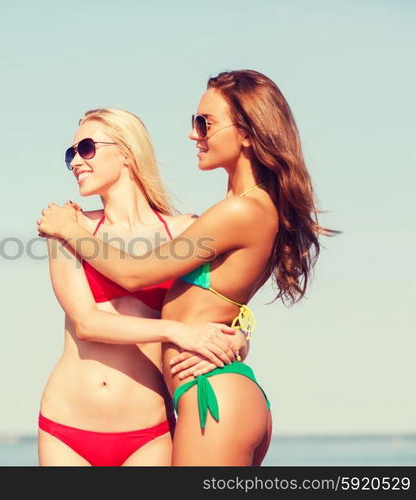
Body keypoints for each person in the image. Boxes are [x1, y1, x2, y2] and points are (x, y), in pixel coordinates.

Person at [37, 70, 339, 465]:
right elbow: (223, 298)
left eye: (204, 123)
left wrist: (69, 229)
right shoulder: (230, 212)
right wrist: (237, 336)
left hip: (196, 406)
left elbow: (135, 273)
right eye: (70, 153)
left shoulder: (228, 212)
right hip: (88, 416)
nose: (194, 134)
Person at [37, 108, 246, 466]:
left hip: (148, 433)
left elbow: (220, 307)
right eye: (70, 154)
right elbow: (87, 323)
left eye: (85, 148)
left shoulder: (183, 231)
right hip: (66, 427)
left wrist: (237, 339)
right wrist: (178, 332)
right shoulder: (67, 227)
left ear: (127, 153)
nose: (75, 162)